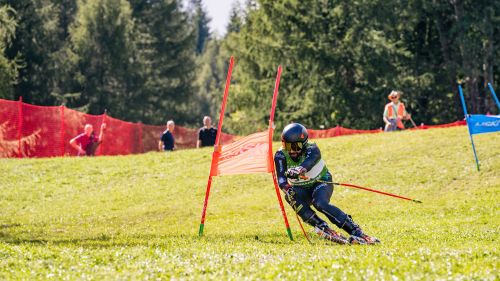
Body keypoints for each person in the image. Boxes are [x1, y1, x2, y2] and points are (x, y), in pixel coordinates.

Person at [274, 123, 380, 245]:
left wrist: (299, 170)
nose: (291, 150)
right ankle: (321, 226)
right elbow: (281, 181)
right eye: (287, 145)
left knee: (320, 203)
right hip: (301, 188)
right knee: (290, 196)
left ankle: (356, 231)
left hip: (321, 182)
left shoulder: (312, 149)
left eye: (295, 146)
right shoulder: (280, 155)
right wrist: (288, 189)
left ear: (303, 143)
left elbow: (309, 163)